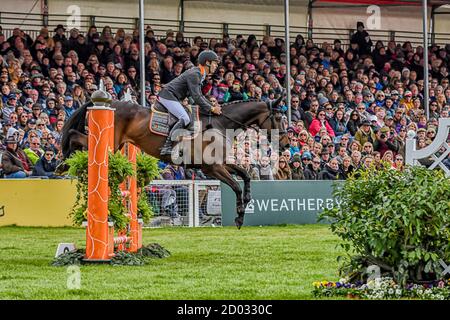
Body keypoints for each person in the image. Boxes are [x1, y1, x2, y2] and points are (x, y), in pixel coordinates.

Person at [158, 50, 223, 155]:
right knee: (185, 118)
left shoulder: (199, 73)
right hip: (168, 96)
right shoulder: (195, 73)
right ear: (207, 62)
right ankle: (167, 146)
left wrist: (212, 105)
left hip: (174, 97)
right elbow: (196, 96)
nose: (216, 66)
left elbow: (197, 96)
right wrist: (211, 108)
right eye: (215, 63)